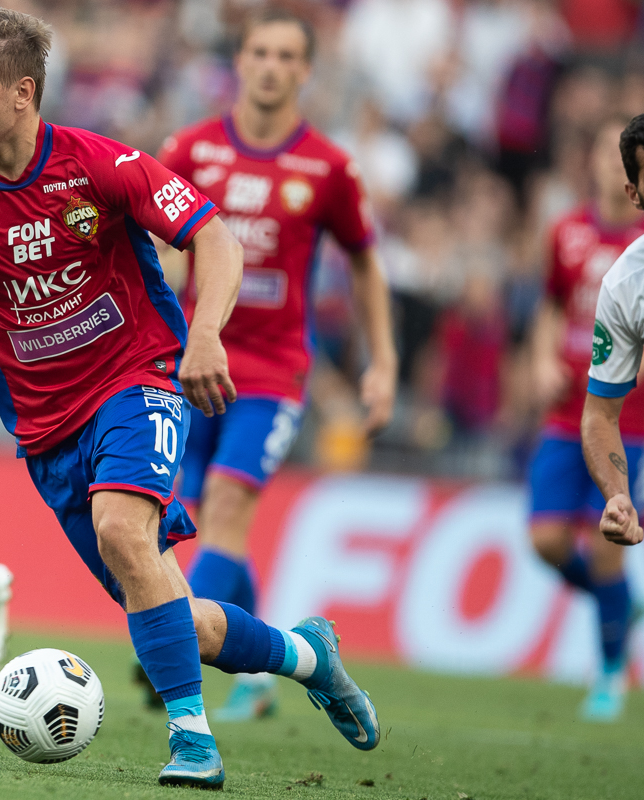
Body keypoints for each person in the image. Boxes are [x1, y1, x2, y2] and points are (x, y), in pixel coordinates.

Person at [0, 9, 380, 789]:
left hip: (138, 378)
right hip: (45, 430)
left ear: (23, 93)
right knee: (172, 614)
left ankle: (193, 742)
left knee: (122, 528)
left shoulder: (102, 165)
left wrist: (205, 334)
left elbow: (215, 237)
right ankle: (306, 655)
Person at [156, 8, 396, 721]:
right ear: (240, 61)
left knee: (227, 506)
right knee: (207, 516)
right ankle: (264, 670)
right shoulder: (191, 149)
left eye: (286, 56)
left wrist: (382, 362)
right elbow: (158, 244)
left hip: (273, 370)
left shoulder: (328, 167)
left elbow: (365, 264)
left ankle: (179, 642)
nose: (270, 66)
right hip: (192, 357)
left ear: (305, 70)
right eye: (259, 52)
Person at [529, 117, 644, 723]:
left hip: (634, 419)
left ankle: (609, 674)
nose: (611, 162)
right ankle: (616, 604)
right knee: (545, 541)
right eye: (604, 152)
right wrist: (542, 360)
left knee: (608, 547)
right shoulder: (567, 232)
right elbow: (549, 305)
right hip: (570, 412)